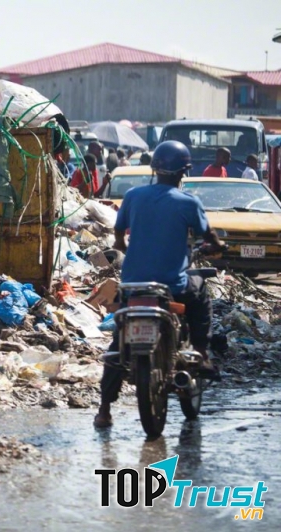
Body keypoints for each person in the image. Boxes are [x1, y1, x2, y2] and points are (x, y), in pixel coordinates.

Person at [93, 140, 225, 429]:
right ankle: (201, 354)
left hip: (133, 285)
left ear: (155, 169)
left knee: (120, 341)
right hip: (171, 286)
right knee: (200, 292)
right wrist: (216, 245)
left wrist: (125, 246)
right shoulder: (189, 202)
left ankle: (104, 410)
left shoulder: (133, 196)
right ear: (183, 172)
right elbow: (209, 235)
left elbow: (118, 236)